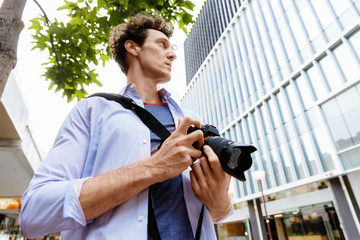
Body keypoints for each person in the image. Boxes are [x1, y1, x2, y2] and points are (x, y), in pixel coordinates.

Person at [20, 12, 232, 239]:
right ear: (133, 47)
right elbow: (34, 212)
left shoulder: (192, 119)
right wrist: (154, 168)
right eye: (162, 44)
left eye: (172, 48)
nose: (172, 54)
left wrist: (219, 202)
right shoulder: (93, 110)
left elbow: (220, 213)